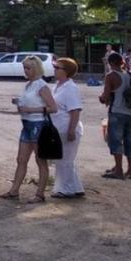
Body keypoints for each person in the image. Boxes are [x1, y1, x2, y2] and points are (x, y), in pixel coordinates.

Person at [0, 55, 58, 202]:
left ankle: (40, 193)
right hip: (26, 124)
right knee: (21, 159)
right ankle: (14, 190)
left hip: (38, 124)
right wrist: (20, 105)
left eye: (28, 68)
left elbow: (53, 108)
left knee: (40, 160)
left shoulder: (41, 85)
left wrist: (31, 109)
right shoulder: (28, 85)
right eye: (24, 67)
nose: (26, 70)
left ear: (36, 69)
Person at [99, 51, 131, 179]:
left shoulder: (111, 75)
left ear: (111, 63)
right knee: (130, 142)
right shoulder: (129, 75)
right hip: (130, 113)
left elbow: (105, 96)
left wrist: (101, 98)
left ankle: (118, 170)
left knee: (116, 141)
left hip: (117, 112)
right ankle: (130, 171)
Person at [49, 57, 86, 199]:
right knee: (65, 159)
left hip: (67, 128)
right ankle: (75, 187)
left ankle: (66, 189)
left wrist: (71, 130)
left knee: (65, 160)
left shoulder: (70, 88)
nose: (55, 70)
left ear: (66, 71)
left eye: (57, 68)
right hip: (58, 128)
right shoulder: (58, 86)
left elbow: (75, 111)